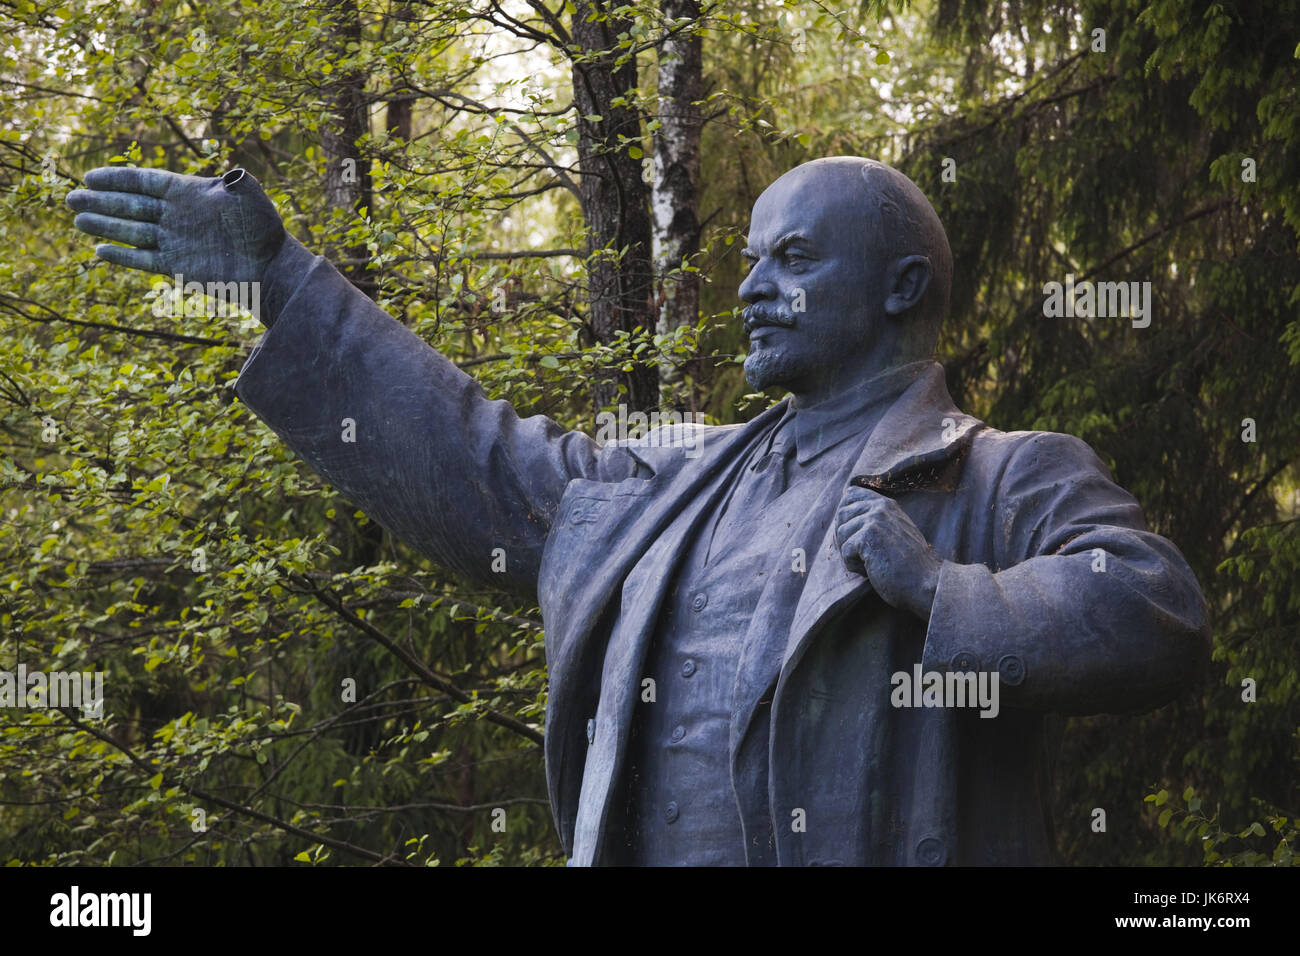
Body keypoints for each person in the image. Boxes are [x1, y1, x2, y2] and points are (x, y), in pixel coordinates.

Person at [67, 156, 1210, 865]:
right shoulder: (675, 484)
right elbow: (485, 467)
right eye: (751, 257)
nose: (751, 288)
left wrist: (941, 589)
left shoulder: (1001, 473)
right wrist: (282, 282)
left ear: (902, 285)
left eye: (793, 258)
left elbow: (1156, 613)